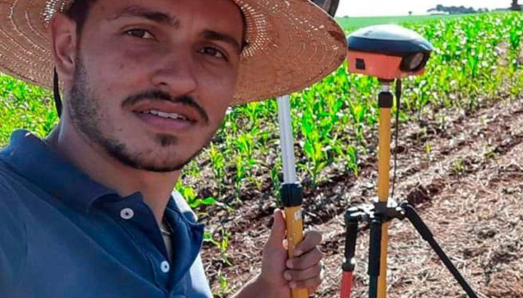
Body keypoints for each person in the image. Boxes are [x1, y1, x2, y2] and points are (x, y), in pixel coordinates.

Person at [0, 0, 346, 297]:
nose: (181, 79)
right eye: (142, 33)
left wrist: (267, 290)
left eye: (212, 51)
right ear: (67, 47)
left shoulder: (172, 217)